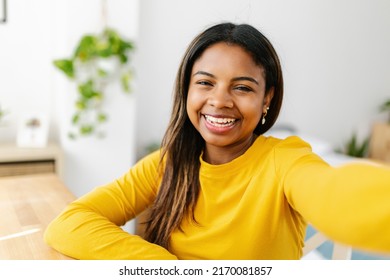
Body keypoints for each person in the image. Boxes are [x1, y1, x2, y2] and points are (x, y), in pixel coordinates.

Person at [44, 22, 390, 260]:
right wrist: (164, 267)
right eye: (206, 83)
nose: (220, 101)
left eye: (242, 87)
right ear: (187, 89)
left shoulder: (285, 161)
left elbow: (336, 196)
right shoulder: (168, 163)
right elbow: (69, 224)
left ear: (267, 97)